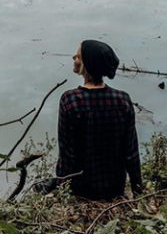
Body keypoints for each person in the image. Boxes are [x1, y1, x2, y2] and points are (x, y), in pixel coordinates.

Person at [53, 39, 142, 200]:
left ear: (87, 64)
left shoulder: (71, 100)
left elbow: (67, 154)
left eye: (78, 56)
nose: (74, 58)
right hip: (114, 189)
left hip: (81, 190)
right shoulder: (122, 100)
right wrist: (138, 191)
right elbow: (131, 153)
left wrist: (60, 189)